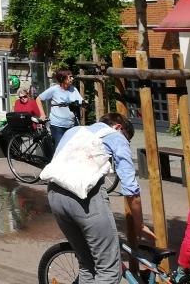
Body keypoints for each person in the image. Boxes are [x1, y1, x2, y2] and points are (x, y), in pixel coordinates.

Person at [44, 112, 149, 284]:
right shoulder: (116, 136)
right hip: (85, 200)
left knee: (87, 265)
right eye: (127, 139)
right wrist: (140, 224)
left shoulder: (74, 131)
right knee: (109, 271)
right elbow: (130, 188)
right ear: (118, 127)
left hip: (55, 195)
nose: (126, 143)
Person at [39, 68, 85, 148]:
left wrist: (84, 103)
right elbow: (38, 99)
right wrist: (42, 114)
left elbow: (81, 101)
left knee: (72, 148)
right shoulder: (54, 89)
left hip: (71, 124)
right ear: (62, 78)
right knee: (60, 149)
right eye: (70, 77)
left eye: (72, 77)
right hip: (57, 125)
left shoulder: (73, 89)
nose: (72, 79)